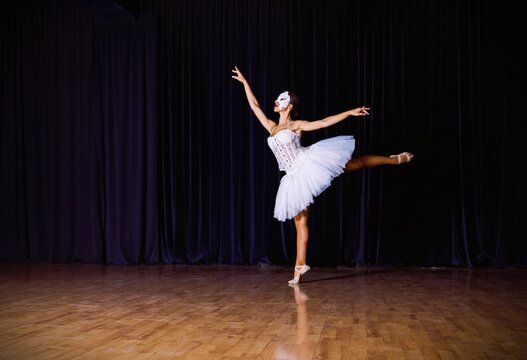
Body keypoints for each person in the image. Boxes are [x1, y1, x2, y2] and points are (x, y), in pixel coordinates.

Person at [231, 66, 413, 284]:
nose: (276, 102)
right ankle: (300, 267)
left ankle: (393, 159)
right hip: (292, 176)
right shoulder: (271, 127)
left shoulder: (295, 125)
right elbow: (255, 106)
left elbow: (324, 122)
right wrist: (245, 83)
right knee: (300, 221)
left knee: (354, 164)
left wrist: (348, 112)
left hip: (309, 164)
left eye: (281, 100)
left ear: (289, 105)